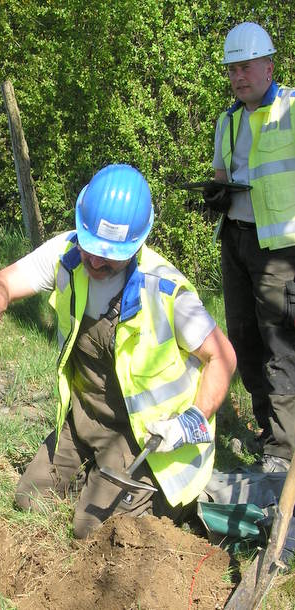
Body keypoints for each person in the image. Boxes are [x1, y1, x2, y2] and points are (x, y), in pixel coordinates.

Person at [0, 164, 236, 538]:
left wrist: (193, 420)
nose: (96, 262)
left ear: (138, 244)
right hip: (85, 418)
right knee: (28, 500)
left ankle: (167, 501)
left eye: (111, 256)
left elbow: (223, 357)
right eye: (92, 250)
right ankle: (94, 469)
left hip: (146, 439)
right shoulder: (67, 255)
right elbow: (6, 279)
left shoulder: (166, 292)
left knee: (91, 531)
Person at [206, 22, 295, 473]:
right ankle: (268, 429)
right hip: (236, 238)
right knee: (243, 336)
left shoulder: (292, 109)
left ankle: (285, 449)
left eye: (245, 67)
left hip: (280, 248)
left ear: (268, 66)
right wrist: (213, 194)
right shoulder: (228, 120)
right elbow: (224, 178)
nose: (238, 77)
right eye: (231, 70)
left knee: (280, 341)